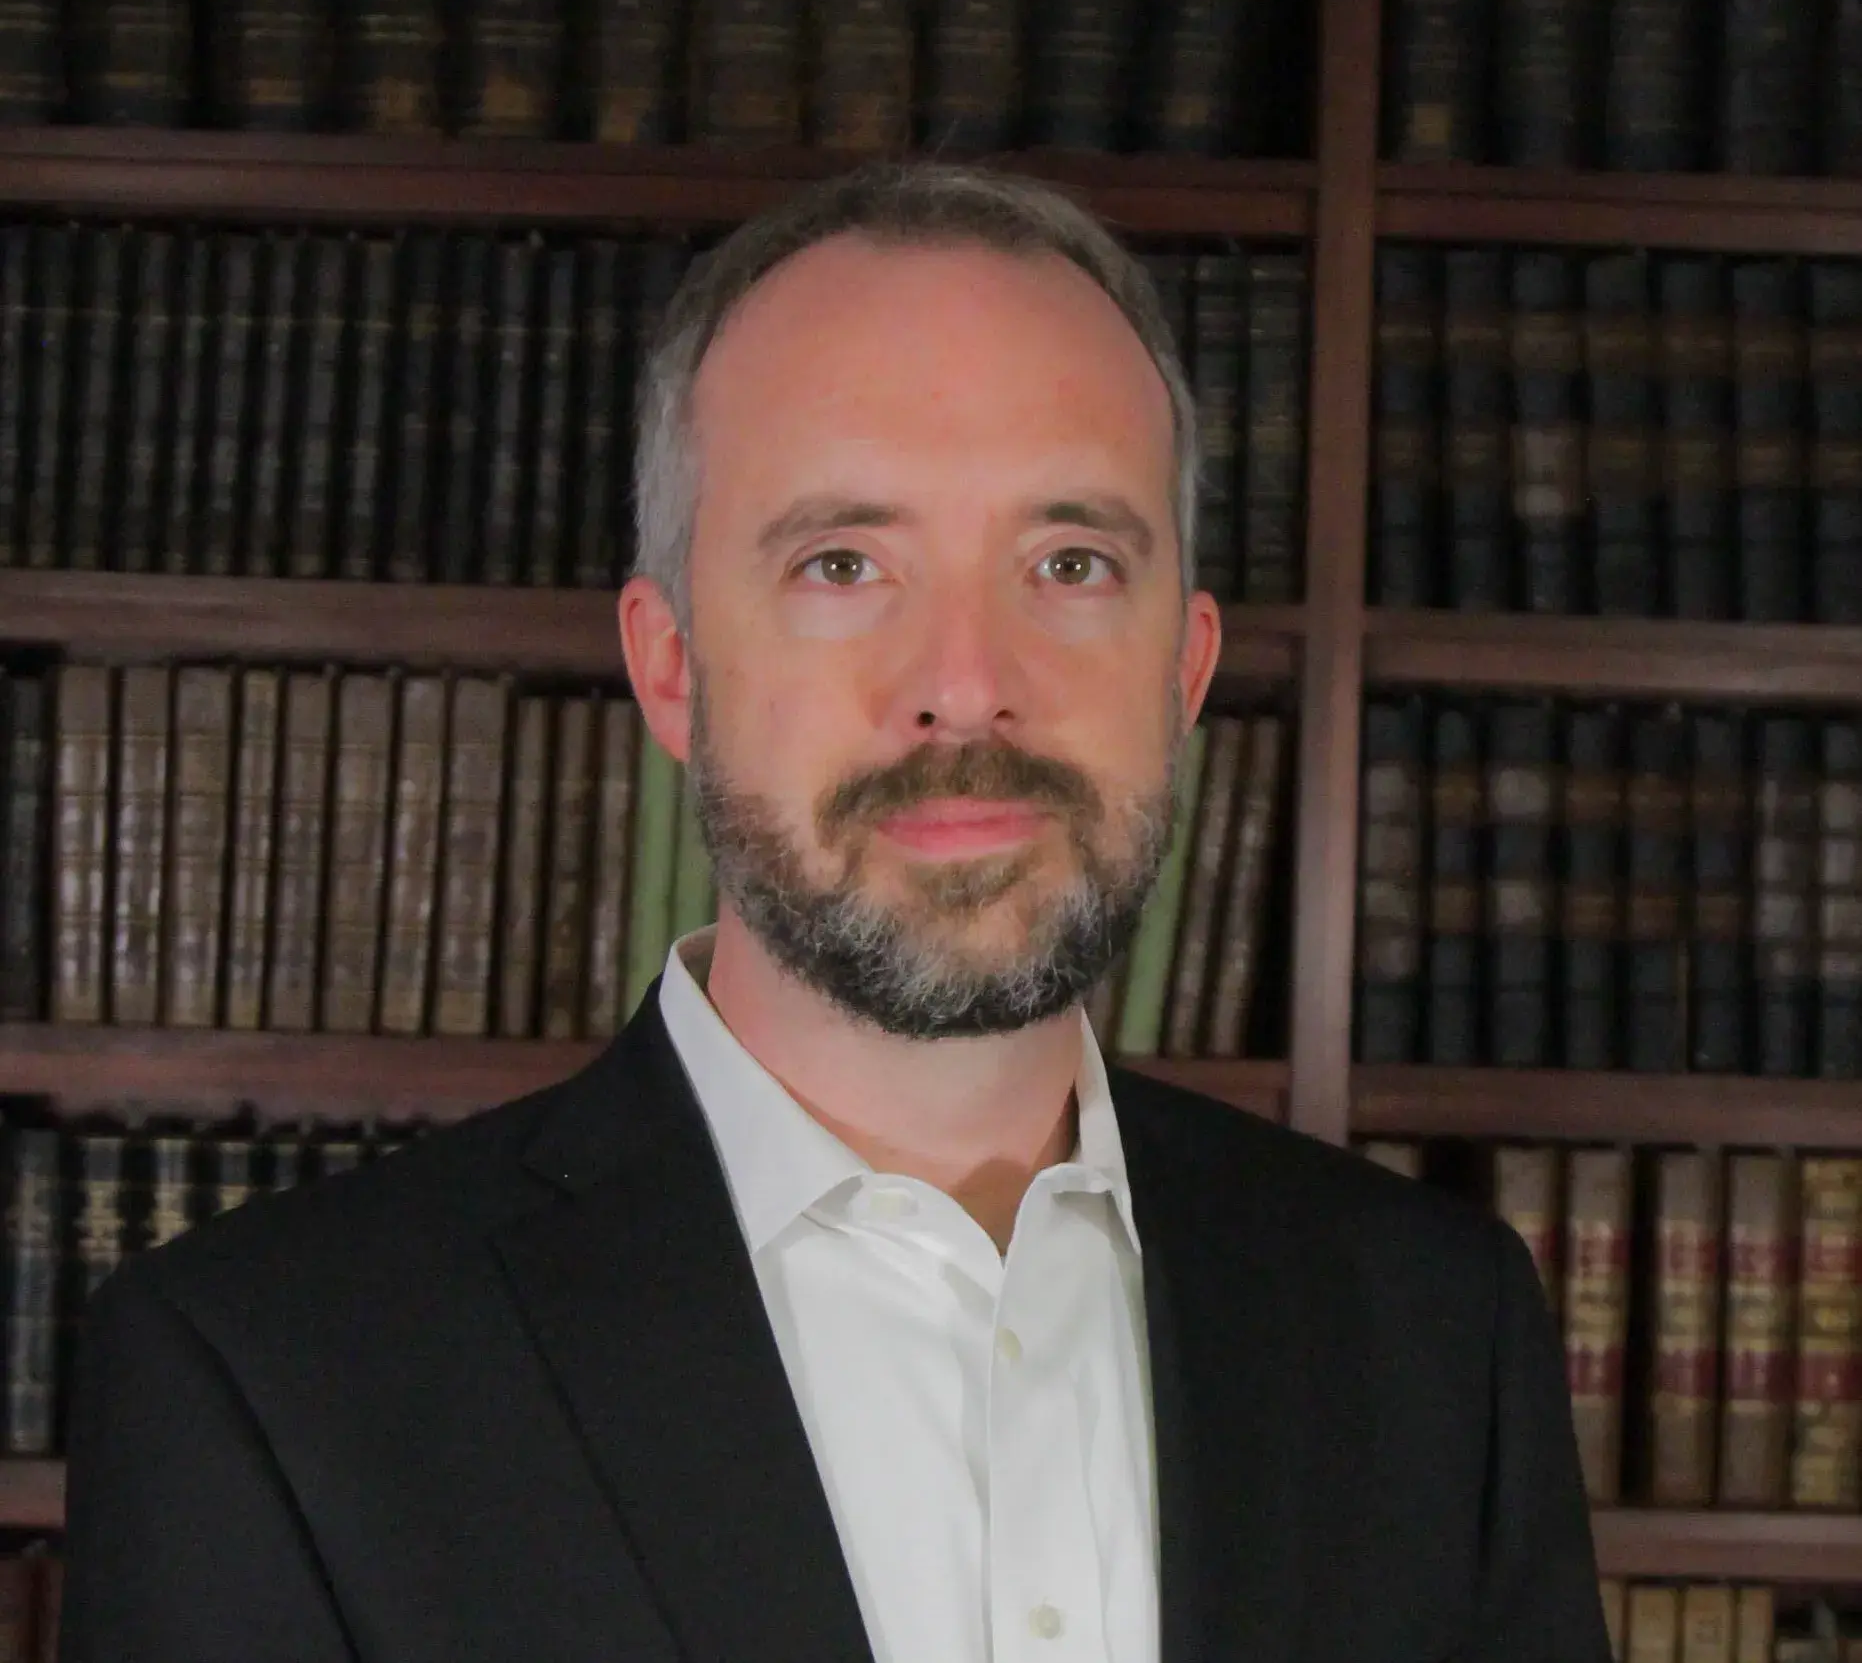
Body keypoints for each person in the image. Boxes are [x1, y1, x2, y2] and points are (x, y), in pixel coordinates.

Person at [61, 163, 1610, 1663]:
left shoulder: (1433, 1337)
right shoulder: (270, 1374)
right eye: (842, 562)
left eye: (1068, 562)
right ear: (671, 668)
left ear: (1185, 667)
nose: (963, 684)